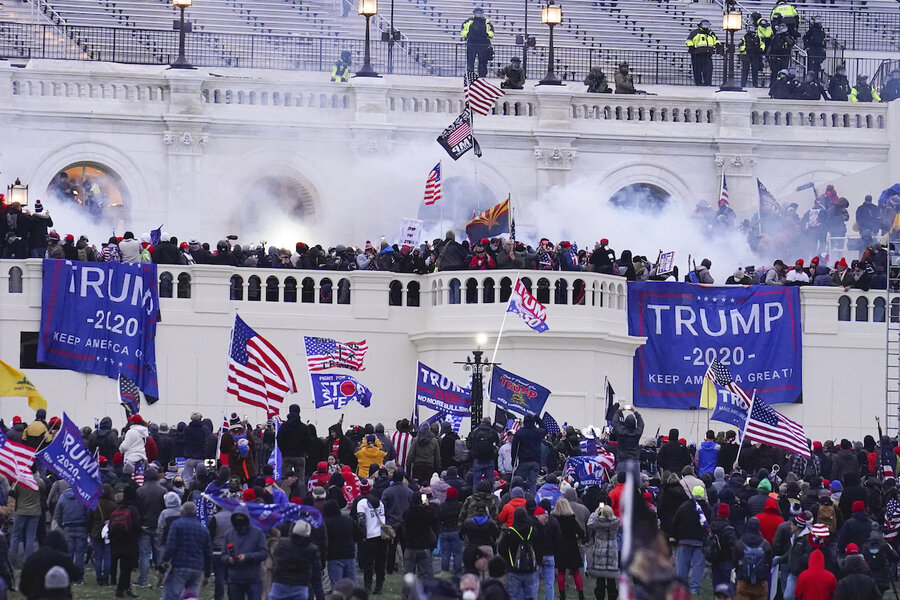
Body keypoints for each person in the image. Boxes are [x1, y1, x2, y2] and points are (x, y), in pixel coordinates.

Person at [159, 501, 213, 600]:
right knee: (191, 597)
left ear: (182, 512)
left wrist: (163, 562)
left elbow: (171, 546)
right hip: (197, 569)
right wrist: (207, 575)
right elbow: (208, 553)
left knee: (171, 596)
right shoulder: (203, 529)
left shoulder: (176, 525)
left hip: (180, 566)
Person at [19, 530, 81, 600]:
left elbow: (23, 584)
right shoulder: (62, 558)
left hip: (35, 596)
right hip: (59, 596)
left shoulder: (32, 558)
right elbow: (76, 574)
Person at [672, 485, 711, 596]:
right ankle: (695, 589)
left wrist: (677, 537)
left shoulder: (684, 507)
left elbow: (675, 523)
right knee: (698, 566)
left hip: (684, 540)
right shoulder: (707, 509)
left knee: (682, 566)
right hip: (700, 541)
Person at [224, 505, 268, 600]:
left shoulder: (258, 533)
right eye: (237, 518)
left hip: (253, 578)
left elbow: (264, 553)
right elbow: (223, 555)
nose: (239, 520)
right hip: (235, 578)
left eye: (241, 517)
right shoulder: (229, 534)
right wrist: (229, 559)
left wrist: (247, 557)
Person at [270, 520, 320, 600]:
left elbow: (274, 558)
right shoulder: (312, 549)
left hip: (281, 581)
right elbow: (316, 568)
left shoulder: (282, 543)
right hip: (301, 583)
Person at [498, 508, 538, 600]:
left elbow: (501, 549)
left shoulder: (510, 532)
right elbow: (539, 545)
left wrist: (510, 558)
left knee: (513, 595)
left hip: (513, 569)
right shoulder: (533, 531)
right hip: (530, 568)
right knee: (530, 595)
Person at [109, 485, 142, 598]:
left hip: (117, 541)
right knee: (126, 568)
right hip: (130, 541)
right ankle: (120, 590)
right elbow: (136, 526)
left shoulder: (119, 509)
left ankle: (125, 588)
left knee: (123, 567)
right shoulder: (134, 509)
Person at [355, 481, 387, 594]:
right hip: (382, 535)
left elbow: (361, 521)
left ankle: (367, 587)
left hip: (370, 536)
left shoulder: (361, 503)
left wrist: (362, 535)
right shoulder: (380, 503)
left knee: (368, 564)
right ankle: (379, 587)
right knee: (380, 563)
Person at [52, 486, 89, 583]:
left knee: (69, 553)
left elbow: (57, 514)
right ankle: (79, 577)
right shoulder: (83, 496)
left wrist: (61, 525)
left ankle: (67, 576)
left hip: (67, 526)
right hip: (82, 526)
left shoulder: (63, 496)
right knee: (80, 554)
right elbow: (88, 512)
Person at [552, 498, 586, 600]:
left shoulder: (554, 519)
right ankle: (581, 594)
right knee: (575, 571)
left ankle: (562, 595)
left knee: (561, 572)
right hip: (571, 547)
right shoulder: (571, 519)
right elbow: (581, 532)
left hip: (559, 548)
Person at [733, 517, 772, 600]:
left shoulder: (740, 543)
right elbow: (769, 563)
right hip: (761, 583)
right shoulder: (766, 545)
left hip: (743, 581)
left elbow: (734, 562)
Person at [512, 414, 545, 493]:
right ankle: (532, 500)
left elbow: (514, 448)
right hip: (535, 462)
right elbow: (545, 429)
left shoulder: (519, 433)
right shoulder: (538, 432)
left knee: (518, 482)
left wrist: (513, 460)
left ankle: (518, 497)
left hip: (523, 461)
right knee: (532, 483)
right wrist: (537, 418)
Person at [461, 8, 494, 78]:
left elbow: (492, 32)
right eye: (477, 12)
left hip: (483, 45)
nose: (478, 14)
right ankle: (470, 76)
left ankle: (482, 77)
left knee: (482, 62)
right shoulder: (468, 21)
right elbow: (462, 30)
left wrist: (487, 34)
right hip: (471, 44)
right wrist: (468, 34)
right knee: (470, 61)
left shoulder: (487, 22)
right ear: (474, 13)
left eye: (480, 12)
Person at [686, 20, 719, 86]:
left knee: (708, 70)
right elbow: (689, 40)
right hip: (697, 54)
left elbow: (716, 40)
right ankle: (698, 83)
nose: (706, 25)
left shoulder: (711, 33)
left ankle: (707, 83)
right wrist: (691, 46)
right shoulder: (695, 32)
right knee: (697, 70)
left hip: (707, 54)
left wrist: (718, 45)